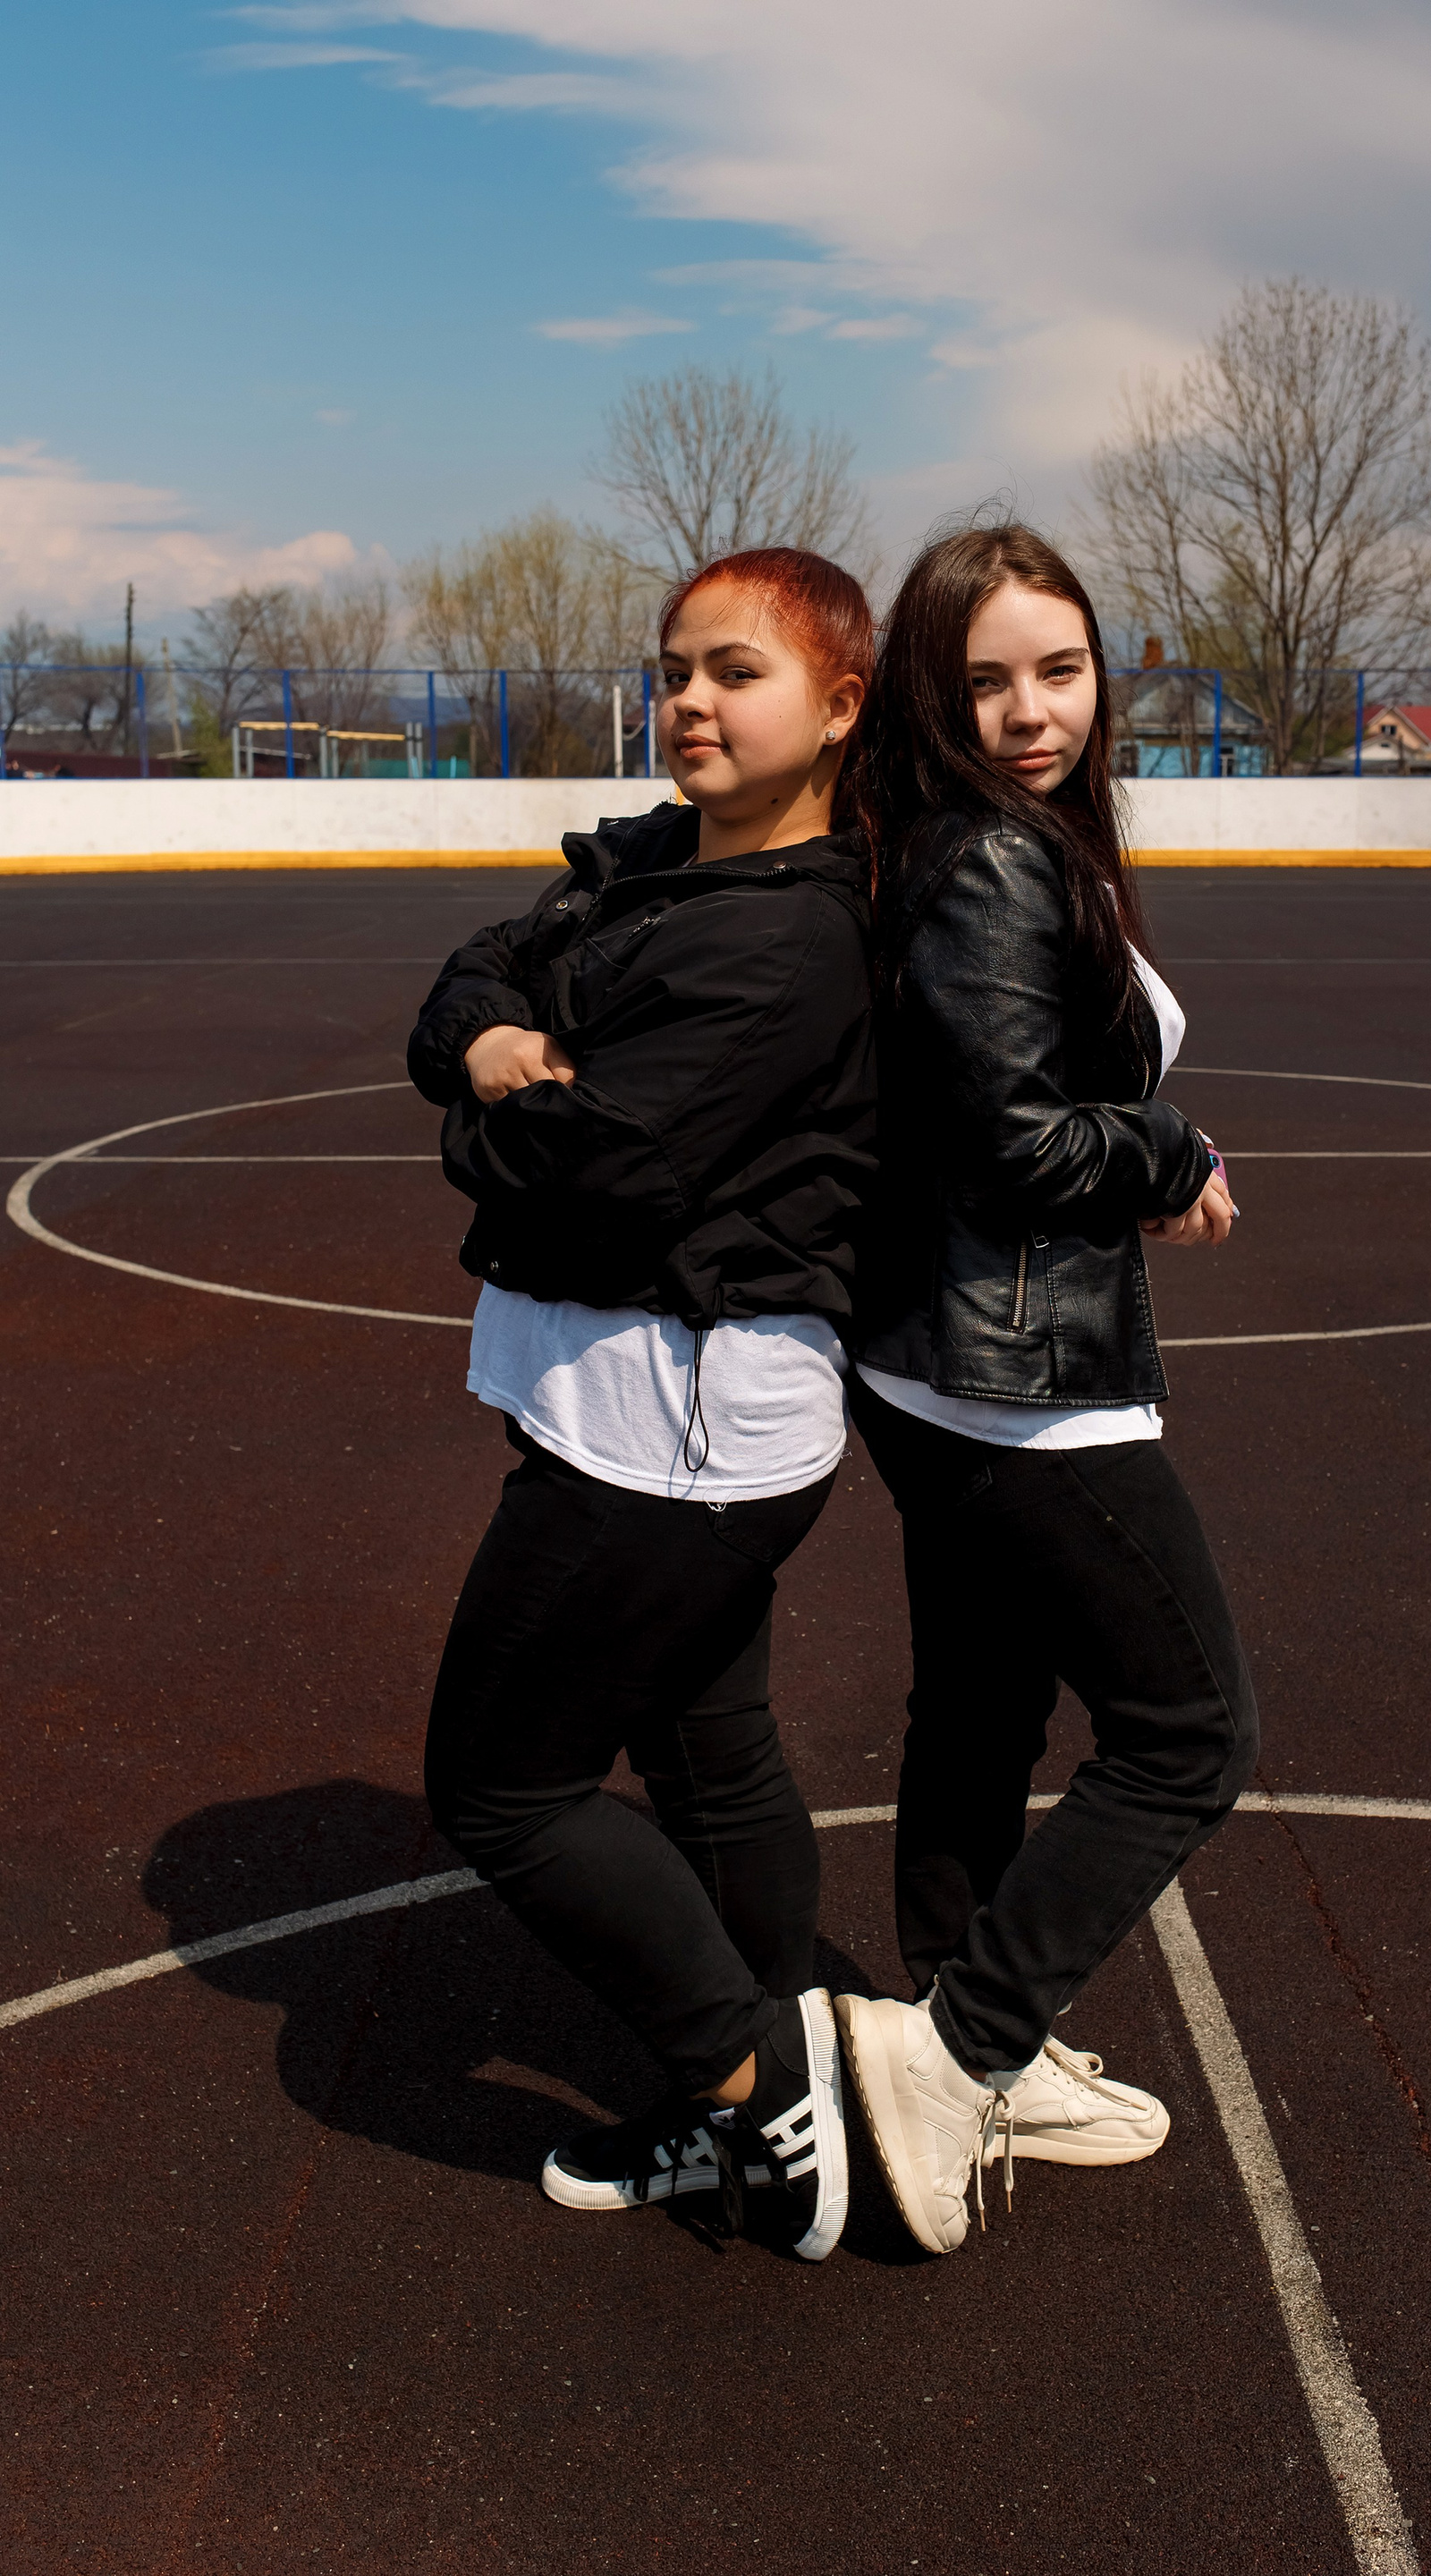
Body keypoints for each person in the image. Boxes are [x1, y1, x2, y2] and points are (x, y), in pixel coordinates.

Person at [407, 549, 876, 2262]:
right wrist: (489, 1046)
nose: (690, 700)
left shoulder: (794, 934)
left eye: (736, 672)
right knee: (705, 1747)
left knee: (501, 1790)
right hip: (640, 1403)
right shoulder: (655, 862)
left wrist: (494, 1104)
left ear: (839, 707)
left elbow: (599, 1170)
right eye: (676, 669)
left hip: (675, 1426)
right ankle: (771, 2069)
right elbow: (473, 977)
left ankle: (758, 2092)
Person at [834, 524, 1259, 2257]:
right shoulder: (993, 860)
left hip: (941, 1361)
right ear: (930, 694)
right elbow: (1015, 1143)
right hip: (1016, 1384)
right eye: (987, 680)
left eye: (1061, 671)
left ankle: (961, 2034)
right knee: (1190, 1730)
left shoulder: (966, 840)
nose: (1031, 712)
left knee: (983, 1706)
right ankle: (960, 2054)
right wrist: (1170, 1151)